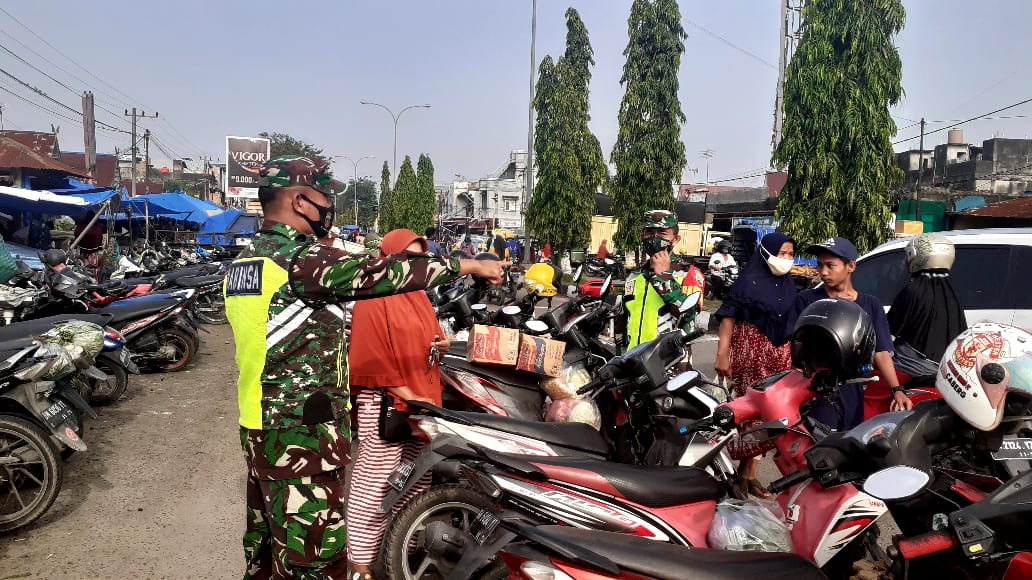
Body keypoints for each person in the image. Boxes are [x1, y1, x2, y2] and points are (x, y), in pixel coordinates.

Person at [224, 156, 501, 579]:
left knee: (268, 553)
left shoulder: (247, 262)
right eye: (324, 196)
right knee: (315, 562)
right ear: (299, 200)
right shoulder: (300, 261)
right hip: (303, 435)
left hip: (262, 424)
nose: (328, 206)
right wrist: (471, 264)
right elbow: (385, 271)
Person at [345, 228, 451, 579]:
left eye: (419, 258)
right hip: (387, 403)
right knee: (375, 485)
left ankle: (400, 550)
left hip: (420, 403)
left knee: (415, 481)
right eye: (406, 257)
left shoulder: (417, 294)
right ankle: (360, 565)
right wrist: (404, 392)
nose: (413, 264)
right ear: (389, 256)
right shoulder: (374, 292)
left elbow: (426, 340)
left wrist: (441, 346)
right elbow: (367, 353)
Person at [785, 237, 913, 432]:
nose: (824, 272)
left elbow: (881, 352)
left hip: (853, 390)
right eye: (820, 265)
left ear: (850, 266)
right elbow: (792, 348)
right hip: (816, 391)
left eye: (831, 265)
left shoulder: (871, 305)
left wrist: (896, 389)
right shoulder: (806, 301)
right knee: (819, 449)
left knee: (850, 444)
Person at [713, 232, 798, 498]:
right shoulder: (747, 282)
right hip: (750, 355)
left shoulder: (789, 285)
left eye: (789, 254)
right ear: (766, 252)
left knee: (772, 417)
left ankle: (748, 475)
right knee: (751, 414)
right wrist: (722, 353)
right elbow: (728, 318)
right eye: (781, 252)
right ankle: (739, 475)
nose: (785, 259)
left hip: (780, 358)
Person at [618, 210, 704, 350]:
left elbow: (688, 316)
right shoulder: (635, 276)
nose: (654, 238)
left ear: (675, 239)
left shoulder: (689, 274)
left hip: (669, 364)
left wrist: (663, 276)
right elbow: (623, 321)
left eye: (662, 233)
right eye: (649, 233)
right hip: (633, 360)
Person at [887, 233, 967, 362]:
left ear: (916, 255)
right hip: (946, 365)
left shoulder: (913, 290)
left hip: (914, 366)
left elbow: (888, 332)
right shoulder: (954, 293)